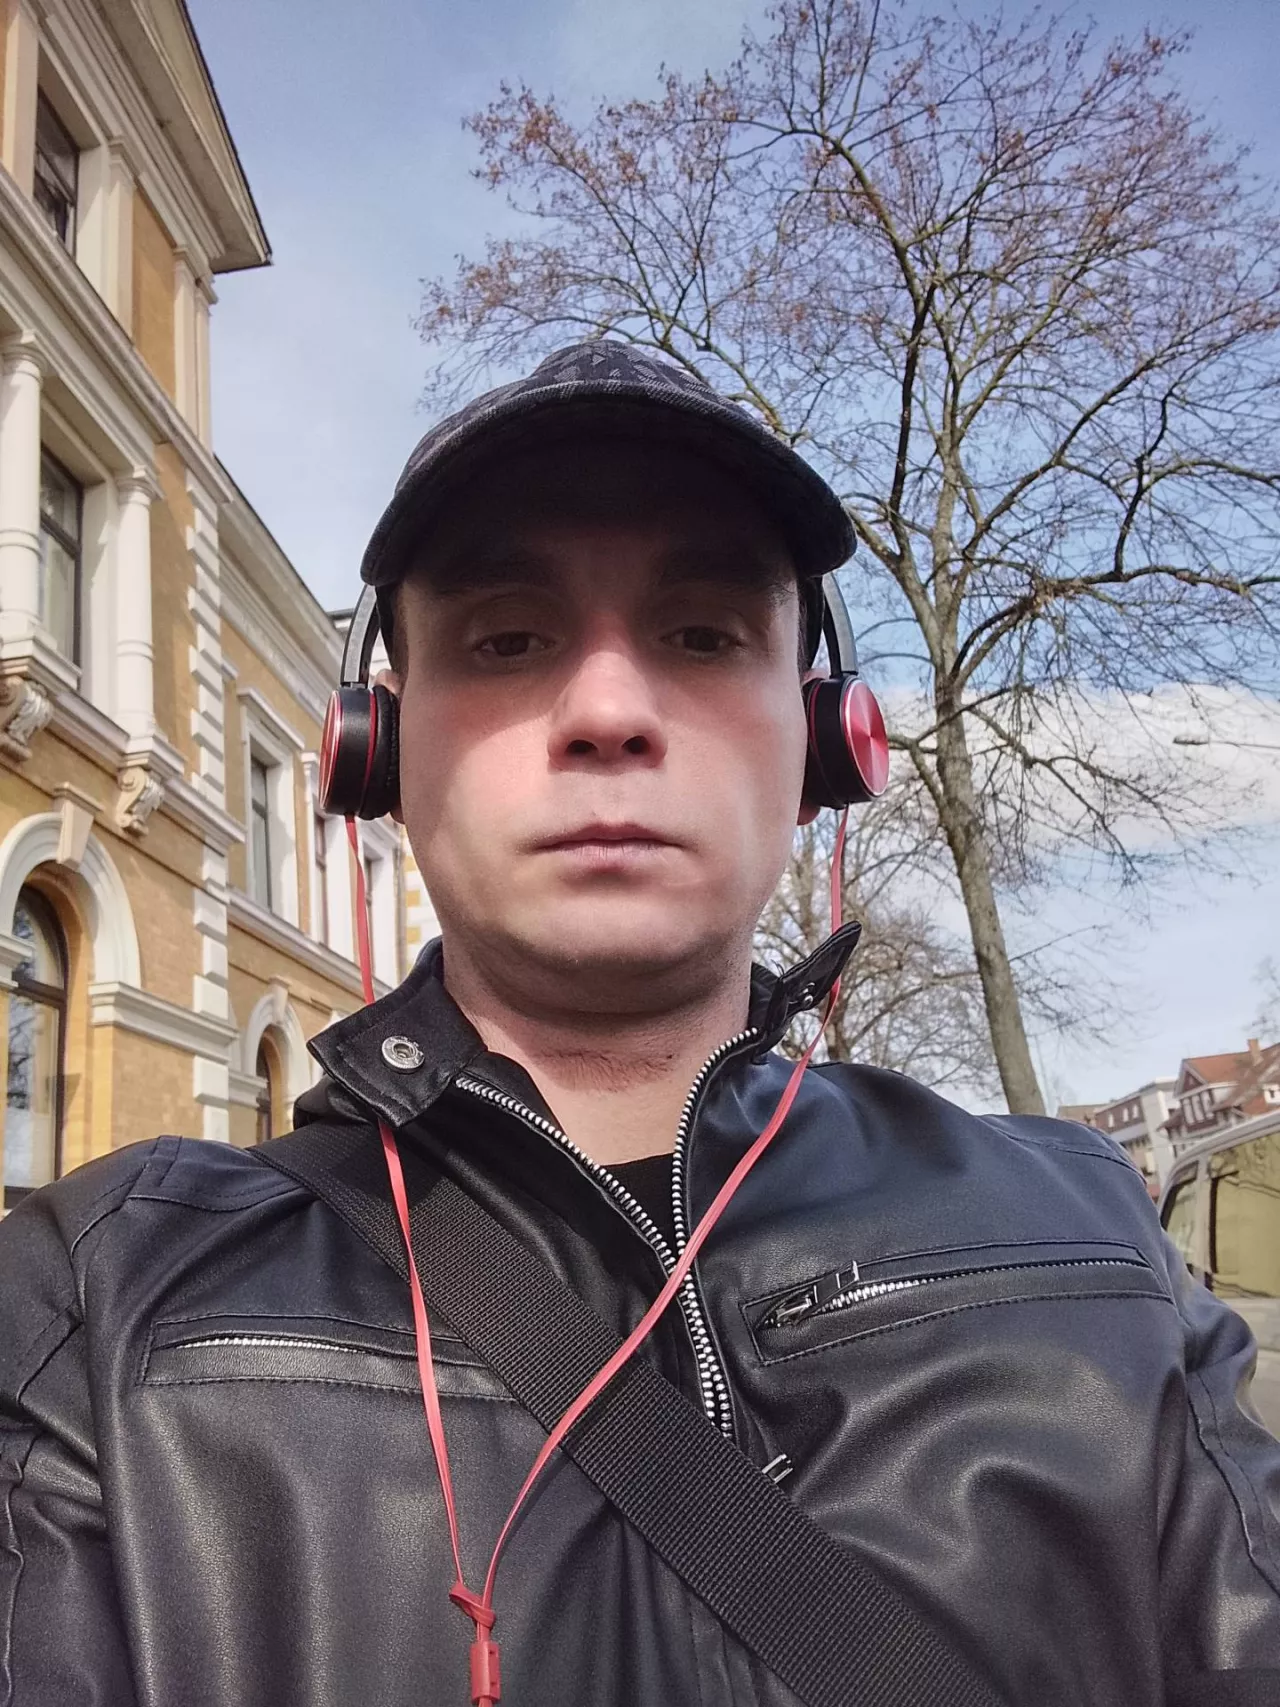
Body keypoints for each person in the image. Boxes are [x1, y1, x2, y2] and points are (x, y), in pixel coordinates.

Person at [1, 342, 1277, 1707]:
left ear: (826, 744)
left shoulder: (1092, 1238)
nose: (608, 711)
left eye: (703, 635)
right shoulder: (102, 1294)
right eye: (507, 638)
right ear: (376, 749)